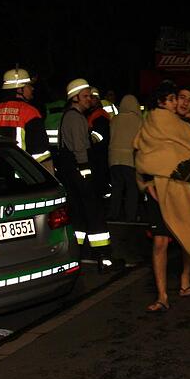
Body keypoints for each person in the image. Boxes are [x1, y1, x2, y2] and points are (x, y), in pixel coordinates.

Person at [134, 81, 190, 312]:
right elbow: (143, 153)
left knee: (189, 233)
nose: (185, 102)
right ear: (172, 100)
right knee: (160, 242)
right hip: (158, 192)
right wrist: (148, 183)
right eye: (181, 97)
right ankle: (162, 296)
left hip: (185, 191)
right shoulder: (152, 123)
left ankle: (185, 277)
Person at [55, 78, 115, 270]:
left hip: (71, 173)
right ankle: (104, 258)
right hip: (80, 173)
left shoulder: (70, 116)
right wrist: (87, 173)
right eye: (86, 96)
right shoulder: (76, 118)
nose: (90, 99)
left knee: (79, 215)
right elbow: (81, 149)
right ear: (75, 98)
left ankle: (78, 253)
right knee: (95, 213)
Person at [0, 68, 54, 175]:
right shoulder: (30, 112)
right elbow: (41, 152)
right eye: (28, 85)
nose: (32, 88)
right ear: (19, 90)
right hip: (26, 178)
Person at [108, 94, 143, 224]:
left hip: (114, 159)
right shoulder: (138, 120)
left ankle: (113, 213)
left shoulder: (115, 119)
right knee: (131, 188)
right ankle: (131, 215)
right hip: (130, 159)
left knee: (116, 188)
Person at [85, 86, 112, 201]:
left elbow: (99, 136)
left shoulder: (100, 115)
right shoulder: (92, 113)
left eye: (93, 98)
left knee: (99, 178)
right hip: (96, 153)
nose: (90, 100)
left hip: (99, 154)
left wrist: (86, 142)